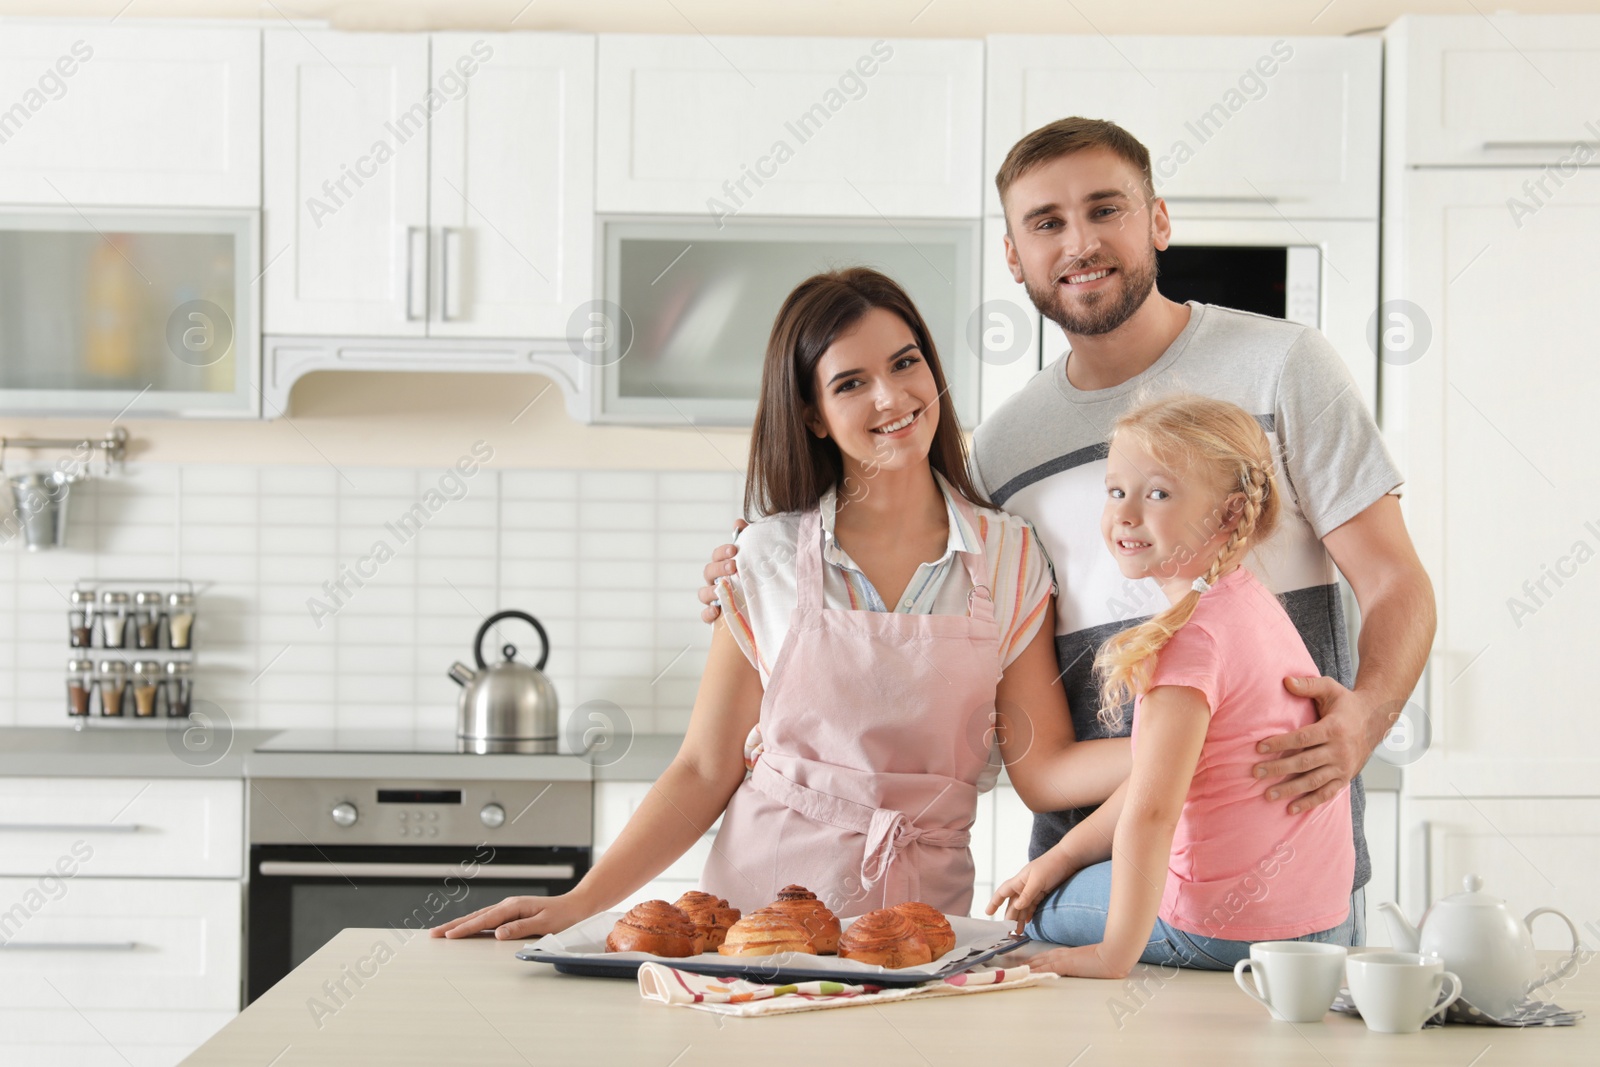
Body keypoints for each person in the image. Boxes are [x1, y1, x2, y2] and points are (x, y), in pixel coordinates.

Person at [701, 117, 1435, 945]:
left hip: (1274, 857)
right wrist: (753, 572)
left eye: (1105, 209)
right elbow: (918, 577)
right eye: (1046, 222)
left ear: (1157, 220)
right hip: (1088, 882)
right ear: (1014, 255)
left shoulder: (1285, 366)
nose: (1079, 242)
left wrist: (1364, 717)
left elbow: (1396, 582)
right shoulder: (1005, 447)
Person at [433, 268, 1127, 940]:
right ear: (813, 415)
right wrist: (581, 901)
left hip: (915, 930)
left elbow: (1042, 770)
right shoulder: (765, 556)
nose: (892, 397)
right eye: (851, 383)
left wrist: (1194, 739)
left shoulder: (1008, 557)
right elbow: (706, 767)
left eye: (905, 362)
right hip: (755, 919)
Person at [987, 395, 1356, 977]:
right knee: (1055, 876)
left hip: (1223, 930)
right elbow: (1153, 782)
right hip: (1319, 925)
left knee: (1039, 914)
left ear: (1230, 515)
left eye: (1157, 493)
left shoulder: (1186, 643)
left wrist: (1114, 955)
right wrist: (1058, 857)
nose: (1126, 514)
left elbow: (1153, 814)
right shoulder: (1253, 607)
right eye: (1116, 491)